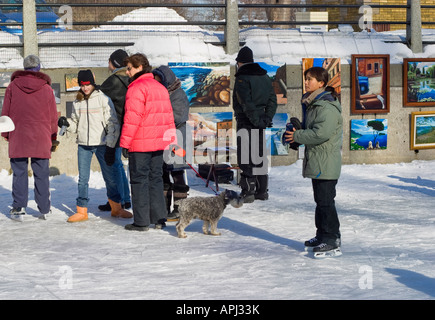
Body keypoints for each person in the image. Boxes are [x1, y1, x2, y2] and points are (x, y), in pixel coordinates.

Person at [58, 69, 131, 222]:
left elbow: (112, 123)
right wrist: (67, 123)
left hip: (102, 144)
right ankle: (82, 210)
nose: (85, 88)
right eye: (83, 85)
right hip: (84, 145)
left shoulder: (103, 99)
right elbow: (76, 124)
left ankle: (116, 208)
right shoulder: (78, 101)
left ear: (93, 83)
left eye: (88, 84)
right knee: (83, 179)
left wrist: (110, 145)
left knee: (109, 177)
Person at [284, 66, 343, 256]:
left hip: (326, 161)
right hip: (319, 160)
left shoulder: (326, 107)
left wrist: (298, 135)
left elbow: (321, 133)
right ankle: (322, 235)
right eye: (306, 78)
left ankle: (332, 238)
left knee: (326, 202)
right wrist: (298, 132)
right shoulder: (314, 104)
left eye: (310, 79)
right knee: (321, 201)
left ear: (321, 83)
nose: (307, 82)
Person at [120, 53, 177, 231]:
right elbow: (169, 116)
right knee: (156, 180)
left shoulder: (135, 88)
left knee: (139, 181)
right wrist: (171, 140)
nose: (127, 72)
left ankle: (142, 221)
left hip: (140, 144)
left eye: (129, 68)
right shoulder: (160, 87)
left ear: (139, 67)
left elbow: (132, 119)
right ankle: (159, 218)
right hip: (158, 144)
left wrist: (125, 144)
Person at [1, 55, 58, 221]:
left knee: (19, 172)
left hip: (18, 135)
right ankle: (44, 209)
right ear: (38, 67)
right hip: (41, 136)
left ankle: (19, 207)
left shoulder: (12, 86)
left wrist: (6, 133)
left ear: (24, 68)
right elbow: (53, 117)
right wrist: (53, 136)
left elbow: (5, 112)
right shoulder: (47, 89)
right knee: (41, 173)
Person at [232, 46, 277, 203]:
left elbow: (245, 102)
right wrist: (266, 117)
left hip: (246, 121)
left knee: (245, 155)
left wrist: (256, 120)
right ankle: (262, 190)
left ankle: (248, 191)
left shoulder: (242, 77)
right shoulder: (264, 77)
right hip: (260, 122)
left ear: (240, 62)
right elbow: (273, 99)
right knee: (259, 154)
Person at [152, 65, 190, 221]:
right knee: (163, 174)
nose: (157, 83)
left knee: (177, 173)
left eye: (159, 80)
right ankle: (164, 208)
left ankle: (180, 209)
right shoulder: (162, 94)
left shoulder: (178, 95)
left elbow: (178, 117)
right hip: (163, 139)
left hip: (177, 139)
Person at [98, 49, 132, 211]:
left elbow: (98, 96)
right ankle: (125, 198)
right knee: (119, 165)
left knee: (114, 164)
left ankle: (118, 200)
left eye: (109, 61)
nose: (108, 64)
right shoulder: (131, 78)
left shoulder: (113, 81)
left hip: (115, 128)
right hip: (128, 126)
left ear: (114, 63)